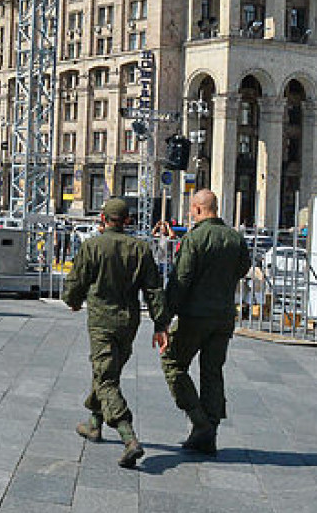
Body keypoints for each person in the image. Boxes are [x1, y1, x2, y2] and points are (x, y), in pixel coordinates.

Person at [62, 196, 166, 469]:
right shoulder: (141, 249)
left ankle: (129, 437)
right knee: (108, 371)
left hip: (101, 321)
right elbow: (154, 289)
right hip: (129, 322)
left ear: (102, 220)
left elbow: (77, 280)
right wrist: (160, 324)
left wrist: (72, 300)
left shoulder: (93, 246)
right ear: (127, 221)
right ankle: (94, 425)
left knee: (106, 378)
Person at [153, 188, 252, 456]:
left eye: (191, 209)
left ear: (198, 209)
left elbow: (180, 281)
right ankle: (210, 433)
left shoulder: (195, 239)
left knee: (172, 362)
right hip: (223, 317)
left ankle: (199, 422)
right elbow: (243, 269)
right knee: (212, 372)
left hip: (195, 317)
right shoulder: (235, 238)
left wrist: (163, 319)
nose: (189, 214)